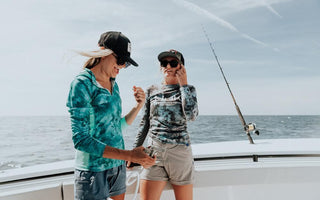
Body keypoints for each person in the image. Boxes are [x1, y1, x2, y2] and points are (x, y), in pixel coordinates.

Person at [66, 31, 156, 200]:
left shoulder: (114, 85)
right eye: (120, 60)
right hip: (92, 171)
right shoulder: (82, 84)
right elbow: (81, 140)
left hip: (118, 167)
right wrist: (129, 155)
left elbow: (115, 126)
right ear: (102, 52)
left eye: (125, 64)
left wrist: (139, 106)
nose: (122, 67)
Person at [129, 49, 198, 200]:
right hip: (154, 152)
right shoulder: (151, 90)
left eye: (173, 63)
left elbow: (191, 115)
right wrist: (135, 151)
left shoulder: (188, 89)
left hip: (180, 153)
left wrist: (184, 84)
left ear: (181, 67)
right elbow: (145, 123)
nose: (168, 66)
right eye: (164, 63)